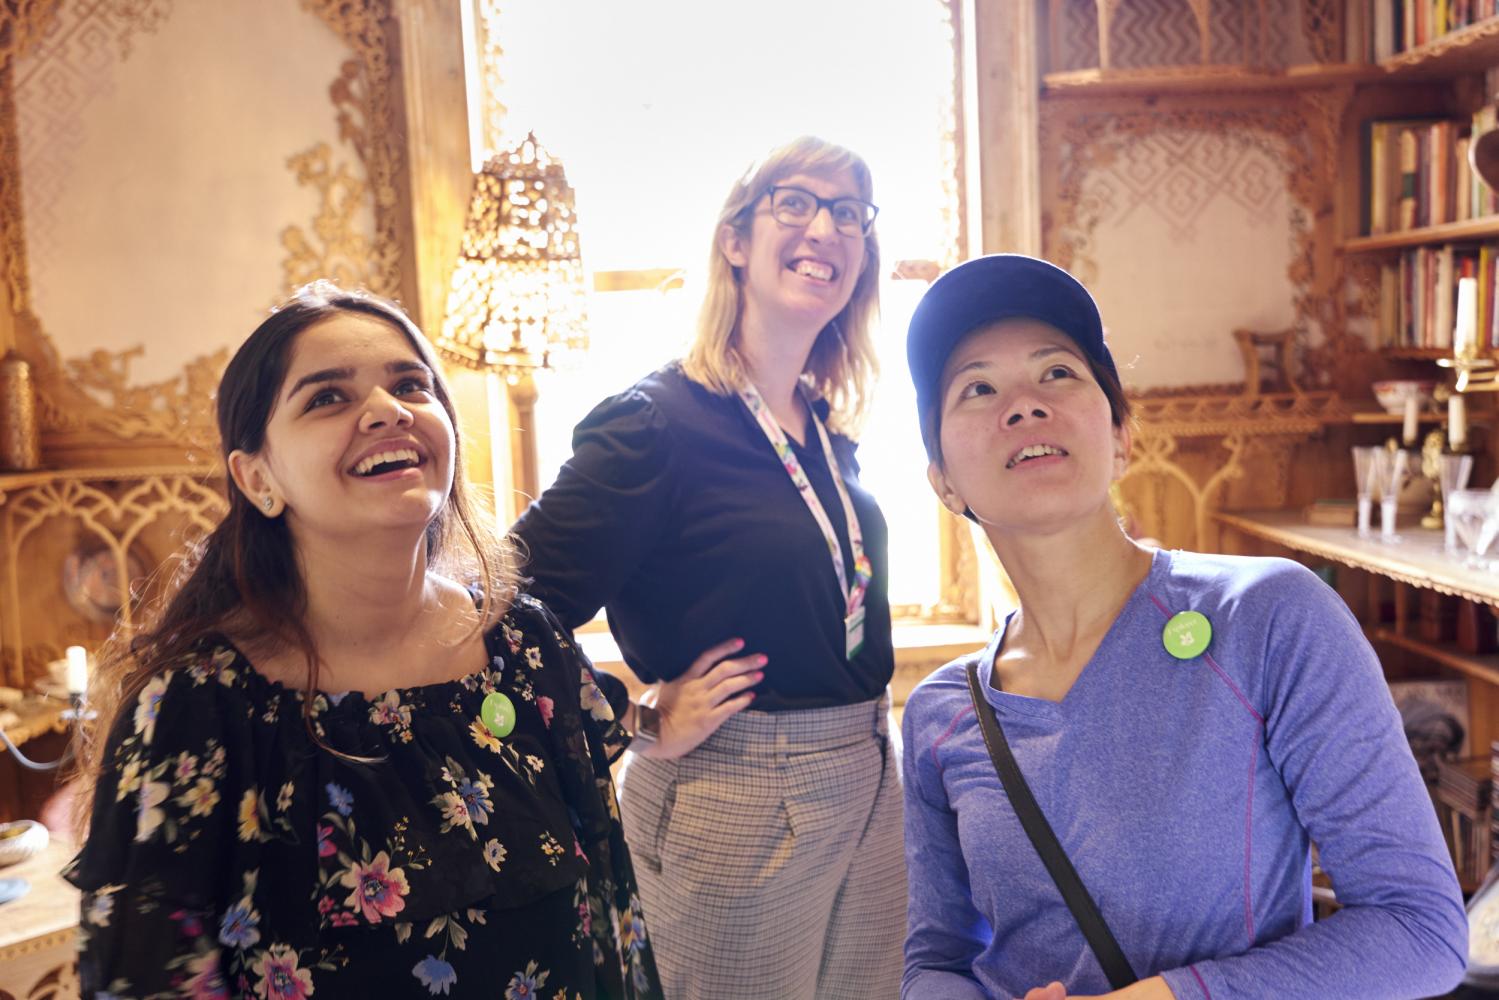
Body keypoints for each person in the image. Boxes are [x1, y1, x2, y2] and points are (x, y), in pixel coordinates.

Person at [64, 282, 662, 998]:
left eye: (411, 385)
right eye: (327, 398)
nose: (387, 410)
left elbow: (610, 915)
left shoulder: (525, 644)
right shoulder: (199, 707)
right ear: (257, 479)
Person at [899, 254, 1467, 1000]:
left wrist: (1170, 998)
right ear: (942, 481)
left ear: (1122, 435)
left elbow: (1420, 930)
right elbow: (938, 960)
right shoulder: (941, 713)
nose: (1024, 405)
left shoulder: (1266, 617)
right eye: (977, 387)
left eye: (1058, 373)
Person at [511, 136, 905, 999]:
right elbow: (502, 614)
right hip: (738, 790)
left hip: (871, 773)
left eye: (849, 214)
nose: (826, 229)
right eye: (795, 203)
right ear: (735, 239)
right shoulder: (653, 424)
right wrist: (635, 716)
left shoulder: (825, 423)